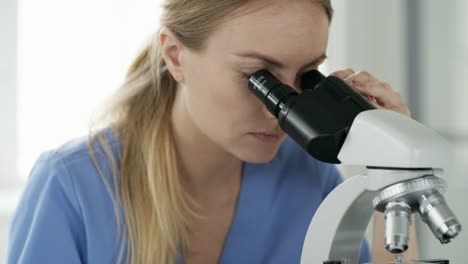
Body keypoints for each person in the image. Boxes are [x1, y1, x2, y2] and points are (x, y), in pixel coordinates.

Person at [7, 0, 416, 263]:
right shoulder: (73, 186)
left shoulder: (308, 175)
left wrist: (394, 173)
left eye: (308, 76)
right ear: (175, 56)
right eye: (260, 78)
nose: (284, 110)